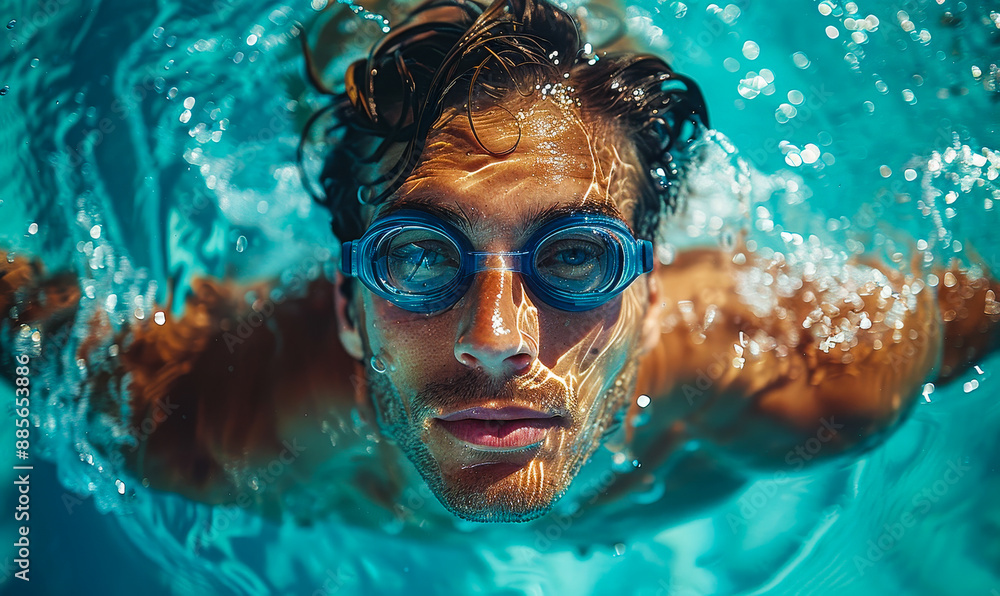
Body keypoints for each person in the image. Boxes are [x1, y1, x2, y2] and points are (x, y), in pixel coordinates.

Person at [2, 0, 998, 527]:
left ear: (650, 289)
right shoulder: (221, 424)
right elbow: (40, 319)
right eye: (421, 257)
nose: (494, 340)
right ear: (346, 304)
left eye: (574, 256)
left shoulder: (817, 374)